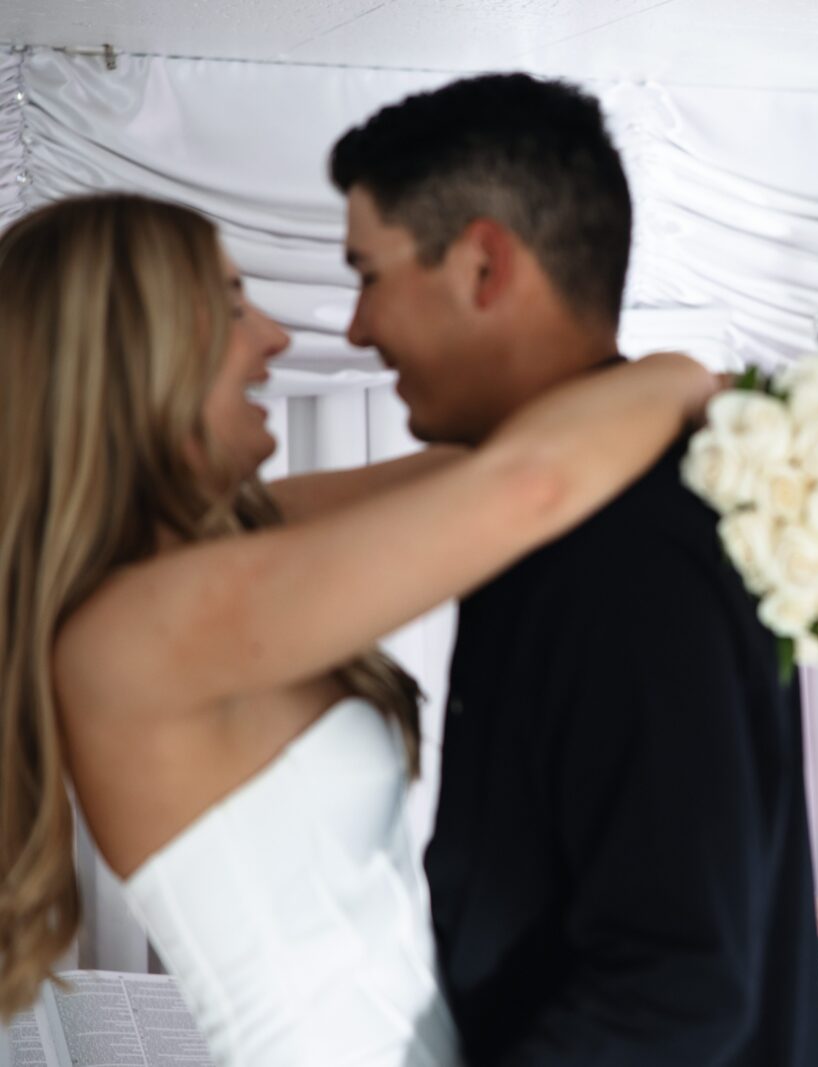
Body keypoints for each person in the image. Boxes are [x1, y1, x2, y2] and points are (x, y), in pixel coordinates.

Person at [0, 192, 719, 1065]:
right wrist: (693, 377)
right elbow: (527, 486)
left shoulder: (237, 543)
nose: (274, 336)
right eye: (231, 307)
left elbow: (477, 465)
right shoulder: (137, 627)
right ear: (132, 354)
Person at [330, 74, 818, 1066]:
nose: (356, 325)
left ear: (482, 263)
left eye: (368, 271)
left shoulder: (628, 545)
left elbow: (676, 985)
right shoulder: (552, 502)